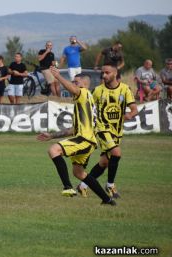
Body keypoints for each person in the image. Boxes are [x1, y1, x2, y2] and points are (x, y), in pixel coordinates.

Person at [37, 68, 116, 206]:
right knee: (79, 173)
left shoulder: (84, 93)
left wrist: (58, 77)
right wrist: (52, 135)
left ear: (84, 85)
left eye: (76, 82)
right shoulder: (84, 103)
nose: (73, 84)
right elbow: (73, 129)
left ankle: (67, 187)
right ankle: (107, 199)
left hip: (84, 140)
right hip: (87, 141)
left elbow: (74, 90)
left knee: (54, 150)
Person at [78, 64, 138, 198]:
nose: (104, 75)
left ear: (115, 73)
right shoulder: (98, 90)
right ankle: (110, 185)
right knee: (116, 153)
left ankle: (83, 185)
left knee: (104, 163)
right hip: (101, 128)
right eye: (102, 73)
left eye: (107, 72)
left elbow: (134, 109)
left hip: (117, 131)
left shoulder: (125, 89)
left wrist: (129, 115)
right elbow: (87, 107)